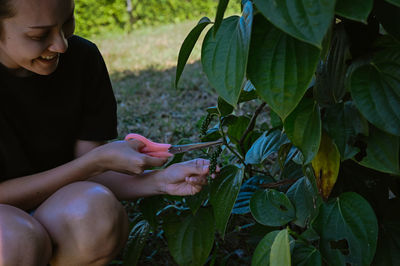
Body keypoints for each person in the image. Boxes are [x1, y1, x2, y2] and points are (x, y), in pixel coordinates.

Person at [0, 0, 215, 265]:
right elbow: (89, 167)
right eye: (39, 35)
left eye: (67, 22)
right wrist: (93, 162)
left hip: (52, 210)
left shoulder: (82, 59)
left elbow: (92, 175)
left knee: (98, 215)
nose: (61, 45)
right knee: (13, 243)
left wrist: (159, 180)